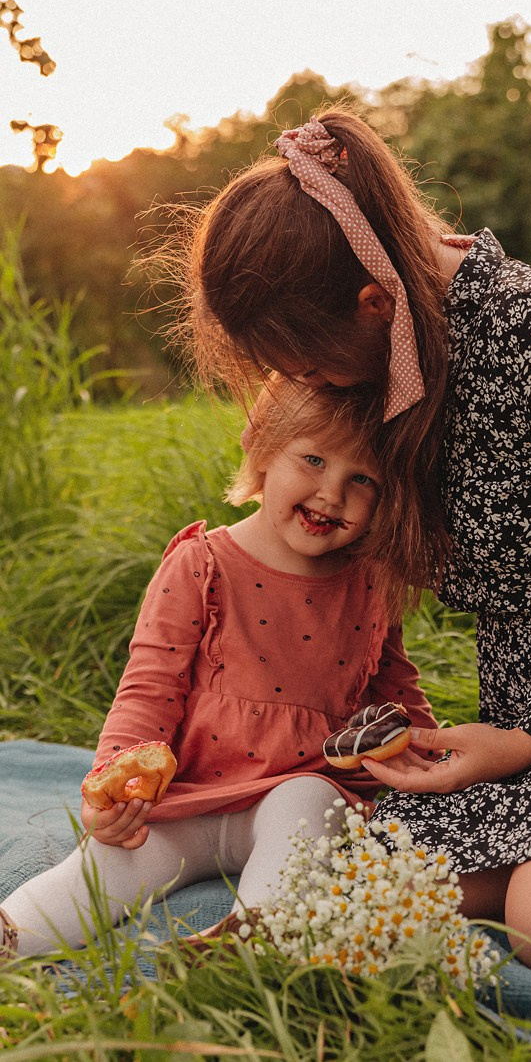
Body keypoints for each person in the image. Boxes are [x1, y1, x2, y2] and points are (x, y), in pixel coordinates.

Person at [158, 104, 531, 982]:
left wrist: (527, 738)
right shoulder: (394, 354)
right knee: (377, 876)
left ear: (373, 303)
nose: (303, 383)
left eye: (306, 364)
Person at [0, 378, 438, 959]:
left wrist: (434, 762)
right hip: (189, 796)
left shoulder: (370, 585)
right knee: (111, 862)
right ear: (262, 447)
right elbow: (148, 690)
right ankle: (14, 936)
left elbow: (396, 697)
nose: (332, 494)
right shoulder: (201, 565)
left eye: (362, 479)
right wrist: (112, 784)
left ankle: (249, 942)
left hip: (298, 787)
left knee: (310, 811)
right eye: (313, 460)